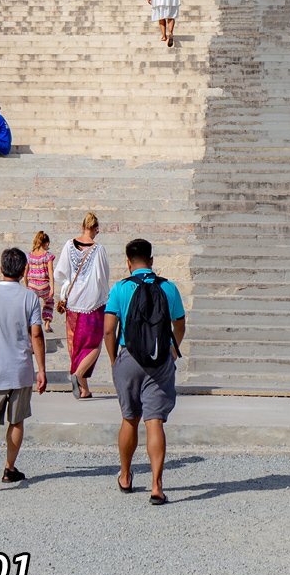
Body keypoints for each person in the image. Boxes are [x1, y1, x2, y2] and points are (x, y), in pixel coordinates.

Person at [104, 237, 186, 505]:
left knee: (129, 418)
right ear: (151, 261)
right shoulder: (168, 288)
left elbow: (108, 329)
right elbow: (180, 323)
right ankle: (156, 485)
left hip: (129, 356)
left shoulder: (120, 288)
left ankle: (126, 476)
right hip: (160, 359)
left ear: (128, 262)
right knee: (155, 421)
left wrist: (113, 358)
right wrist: (174, 349)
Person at [0, 245, 47, 490]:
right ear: (24, 270)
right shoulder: (30, 297)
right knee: (16, 422)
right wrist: (41, 369)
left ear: (1, 268)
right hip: (20, 369)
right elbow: (36, 335)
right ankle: (9, 468)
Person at [56, 211, 111, 399]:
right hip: (93, 303)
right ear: (95, 228)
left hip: (73, 304)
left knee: (77, 345)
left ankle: (84, 389)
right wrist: (106, 296)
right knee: (94, 344)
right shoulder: (99, 249)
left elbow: (60, 273)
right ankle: (78, 375)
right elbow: (103, 277)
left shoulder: (68, 245)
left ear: (82, 226)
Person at [23, 231, 56, 333]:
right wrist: (52, 288)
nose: (48, 245)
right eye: (48, 243)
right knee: (49, 302)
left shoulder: (29, 255)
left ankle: (31, 325)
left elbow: (25, 273)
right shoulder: (47, 256)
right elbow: (51, 272)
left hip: (32, 285)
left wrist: (27, 285)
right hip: (44, 285)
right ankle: (46, 323)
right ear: (45, 243)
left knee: (32, 305)